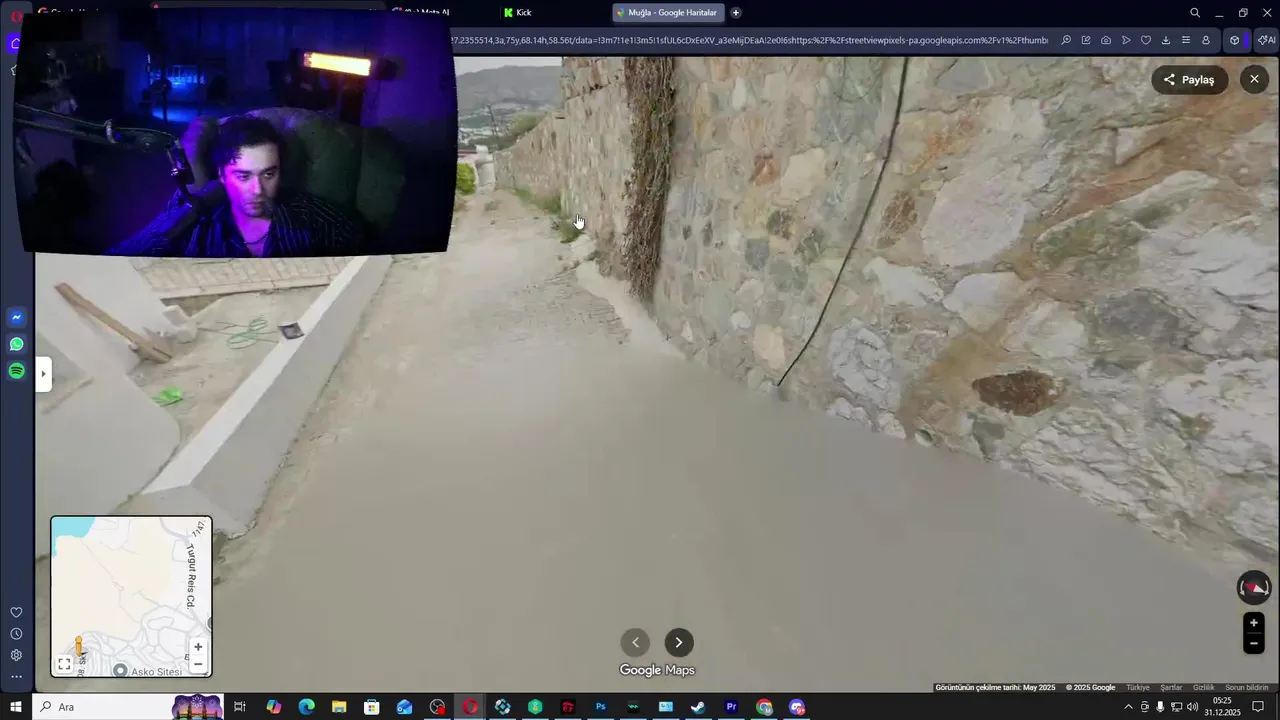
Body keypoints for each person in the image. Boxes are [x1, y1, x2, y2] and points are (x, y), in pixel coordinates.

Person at [107, 115, 366, 258]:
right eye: (243, 176)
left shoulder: (316, 218)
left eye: (269, 174)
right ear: (221, 175)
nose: (258, 190)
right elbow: (122, 260)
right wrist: (190, 210)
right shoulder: (198, 223)